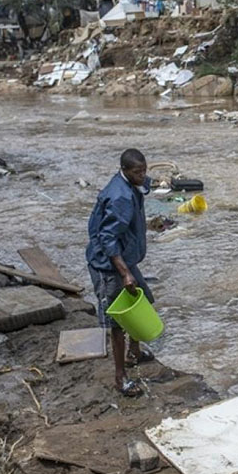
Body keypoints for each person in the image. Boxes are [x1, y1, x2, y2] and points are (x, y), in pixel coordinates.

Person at [86, 148, 155, 397]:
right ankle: (120, 377)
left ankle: (134, 352)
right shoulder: (120, 198)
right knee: (118, 322)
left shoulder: (131, 185)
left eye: (144, 170)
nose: (142, 176)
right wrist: (125, 273)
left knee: (143, 300)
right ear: (124, 170)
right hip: (108, 264)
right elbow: (107, 237)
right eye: (138, 172)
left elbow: (146, 185)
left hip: (125, 257)